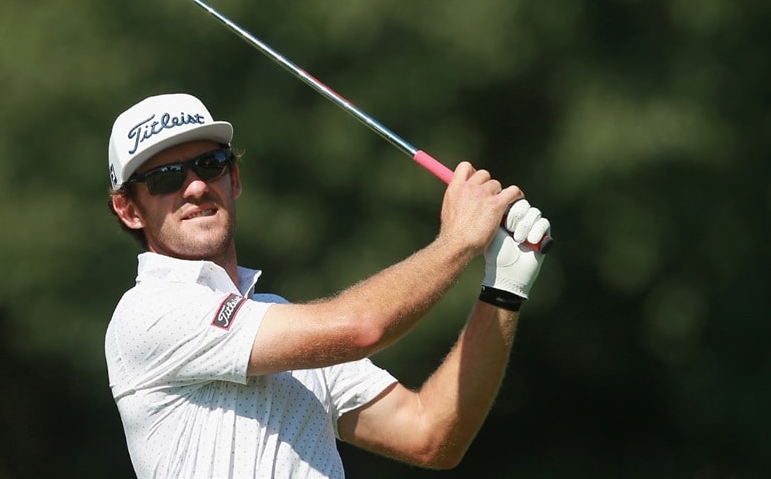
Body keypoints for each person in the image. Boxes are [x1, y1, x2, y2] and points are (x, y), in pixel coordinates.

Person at [104, 93, 551, 478]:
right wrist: (457, 242)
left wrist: (502, 289)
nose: (197, 186)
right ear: (128, 209)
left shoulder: (279, 321)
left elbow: (430, 435)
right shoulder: (149, 312)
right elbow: (361, 328)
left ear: (234, 178)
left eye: (210, 164)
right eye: (165, 178)